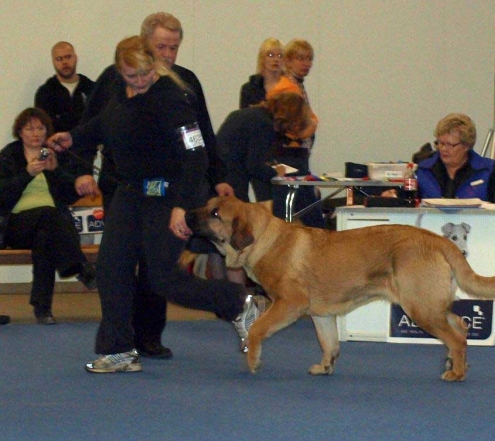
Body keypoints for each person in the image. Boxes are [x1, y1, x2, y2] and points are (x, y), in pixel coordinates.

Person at [48, 36, 256, 373]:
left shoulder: (174, 100)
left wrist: (180, 206)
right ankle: (118, 351)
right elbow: (105, 124)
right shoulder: (119, 91)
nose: (140, 81)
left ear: (153, 66)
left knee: (162, 280)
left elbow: (197, 155)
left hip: (168, 196)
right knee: (111, 270)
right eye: (132, 76)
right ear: (120, 71)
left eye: (145, 74)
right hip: (130, 194)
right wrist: (74, 137)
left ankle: (237, 303)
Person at [0, 108, 96, 325]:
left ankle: (42, 309)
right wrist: (27, 173)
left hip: (51, 225)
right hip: (14, 225)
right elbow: (2, 196)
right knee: (48, 215)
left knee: (45, 237)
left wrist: (54, 171)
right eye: (29, 128)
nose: (35, 133)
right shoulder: (9, 155)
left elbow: (69, 196)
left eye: (40, 128)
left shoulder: (55, 155)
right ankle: (80, 267)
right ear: (20, 132)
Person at [266, 39, 323, 227]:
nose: (306, 63)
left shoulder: (296, 86)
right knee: (308, 216)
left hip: (297, 156)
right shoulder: (286, 89)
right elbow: (290, 128)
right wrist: (312, 125)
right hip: (289, 158)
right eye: (300, 58)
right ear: (288, 61)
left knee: (304, 210)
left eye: (309, 59)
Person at [218, 92, 312, 201]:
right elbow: (255, 165)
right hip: (229, 176)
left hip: (219, 171)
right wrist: (278, 173)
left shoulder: (251, 115)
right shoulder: (264, 124)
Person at [416, 113, 495, 202]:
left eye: (449, 145)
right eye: (440, 143)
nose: (443, 149)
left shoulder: (487, 170)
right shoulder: (423, 170)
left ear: (466, 146)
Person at [34, 42, 96, 133]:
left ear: (75, 58)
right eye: (59, 59)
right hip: (57, 146)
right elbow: (43, 128)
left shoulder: (92, 89)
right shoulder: (45, 93)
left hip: (89, 145)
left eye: (68, 57)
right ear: (53, 62)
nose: (64, 62)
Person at [239, 38, 285, 108]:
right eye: (270, 55)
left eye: (280, 56)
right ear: (262, 58)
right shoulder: (249, 89)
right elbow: (243, 117)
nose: (276, 59)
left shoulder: (290, 87)